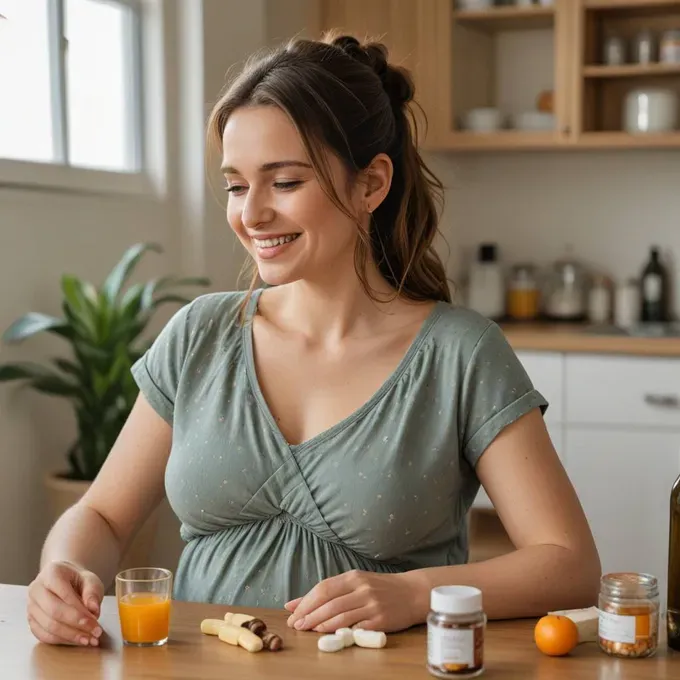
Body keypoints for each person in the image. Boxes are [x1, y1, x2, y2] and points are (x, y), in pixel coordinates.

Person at [26, 33, 600, 647]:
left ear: (372, 183)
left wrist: (413, 592)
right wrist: (65, 569)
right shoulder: (200, 335)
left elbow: (569, 563)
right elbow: (103, 516)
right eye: (236, 186)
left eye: (285, 182)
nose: (251, 215)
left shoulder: (461, 353)